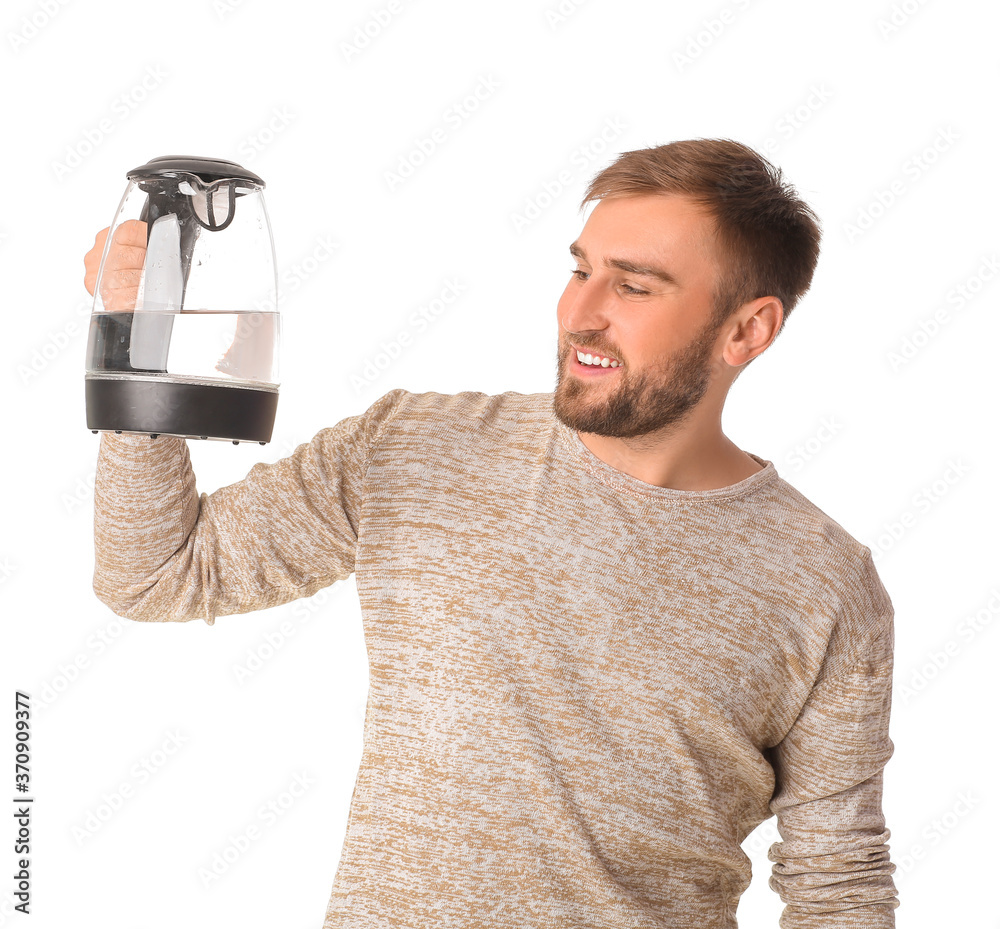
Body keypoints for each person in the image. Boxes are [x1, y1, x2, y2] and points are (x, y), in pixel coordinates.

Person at [85, 138, 899, 928]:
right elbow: (157, 573)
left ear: (747, 331)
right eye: (579, 269)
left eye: (635, 287)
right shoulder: (412, 446)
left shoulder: (824, 582)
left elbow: (838, 891)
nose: (579, 313)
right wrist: (136, 342)